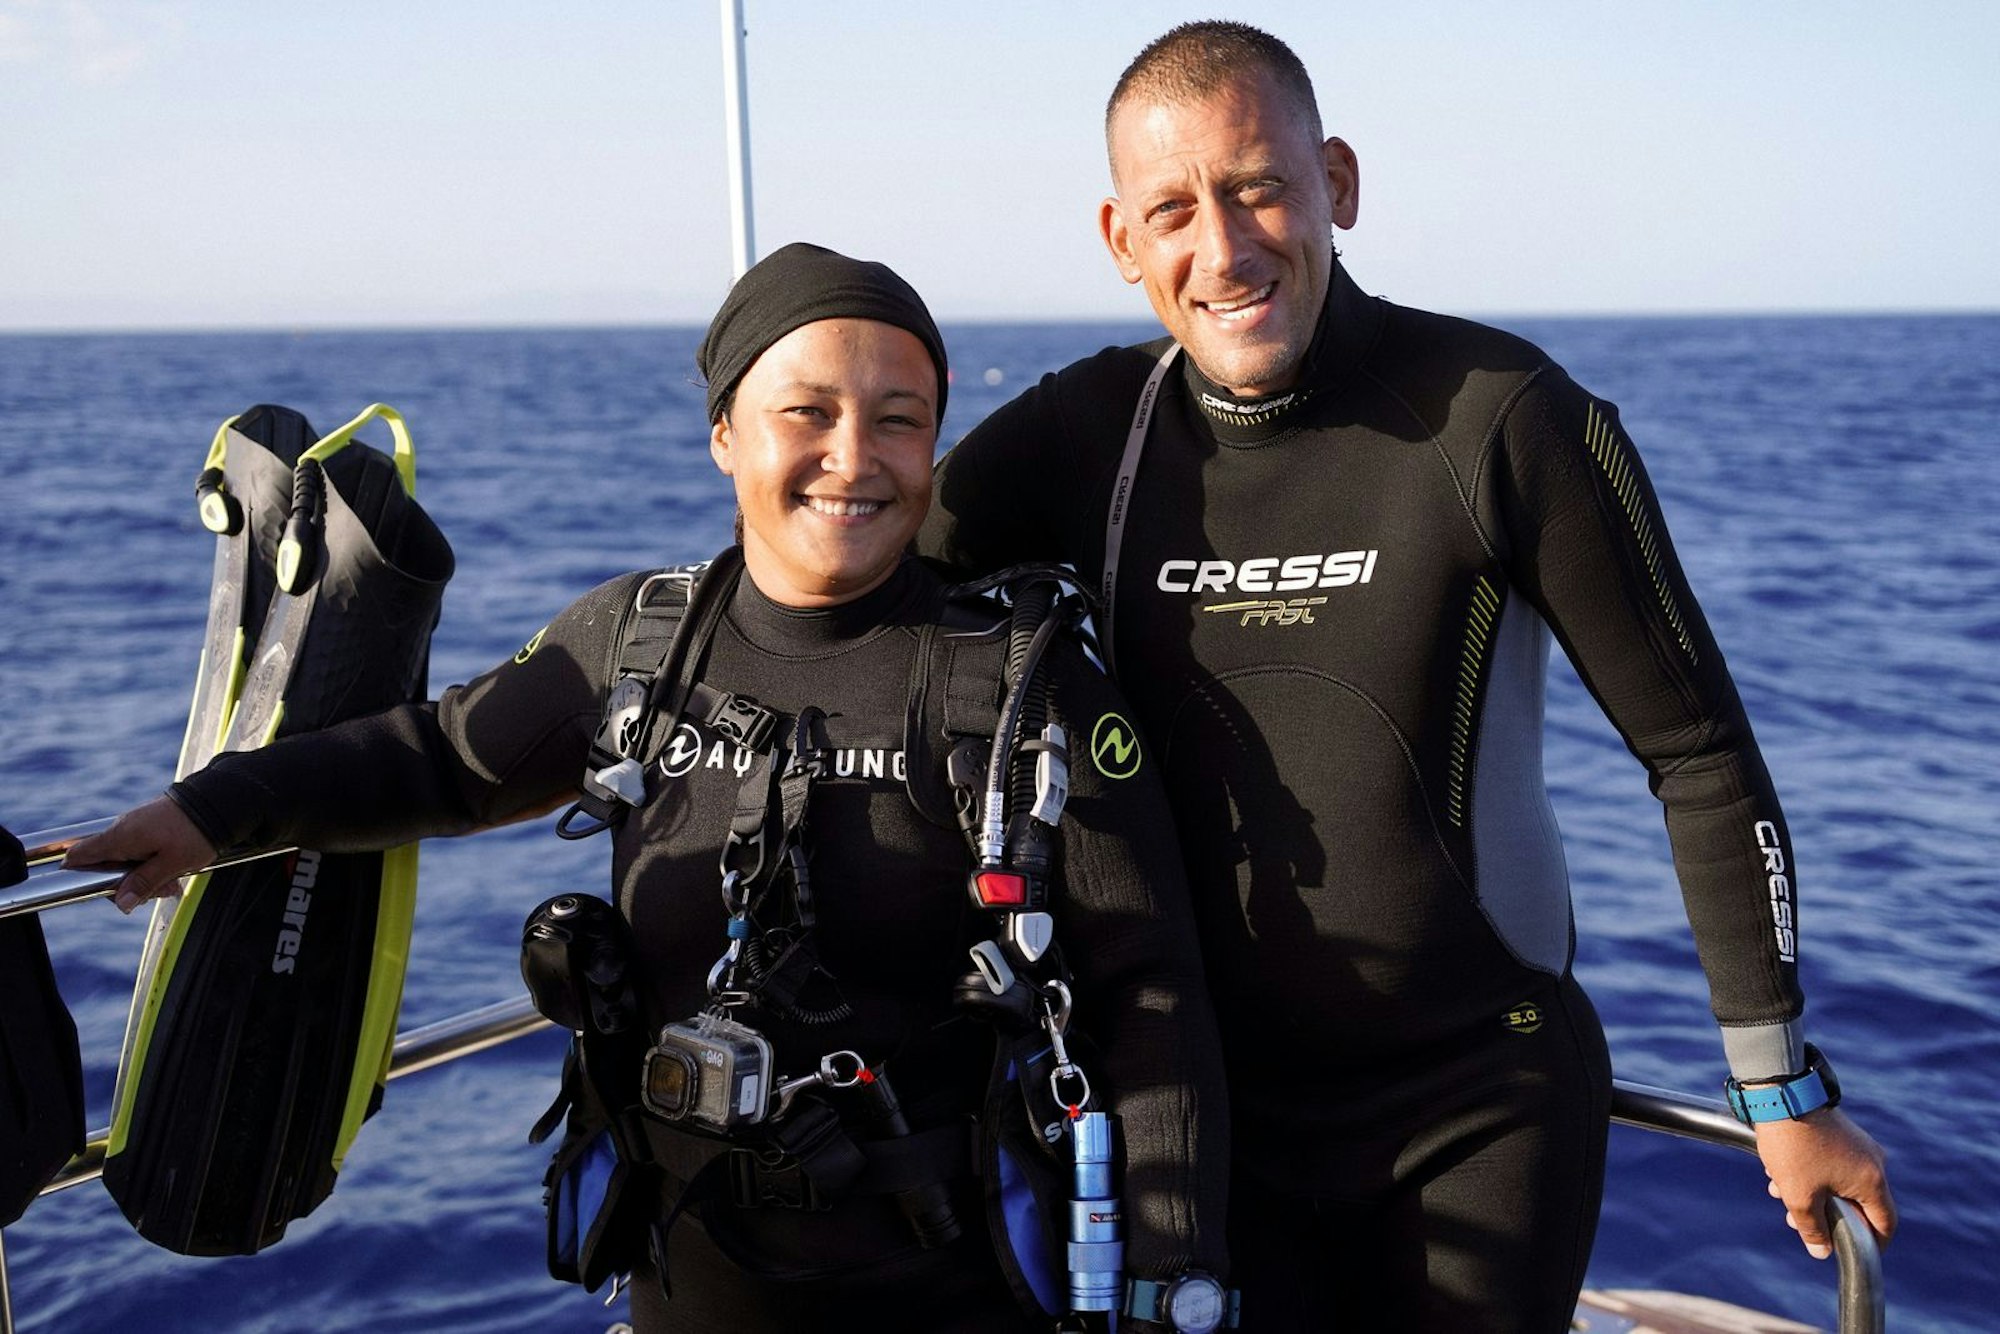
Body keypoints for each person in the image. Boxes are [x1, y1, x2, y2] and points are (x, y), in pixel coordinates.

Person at [918, 20, 1897, 1333]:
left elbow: (1697, 753)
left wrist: (1777, 1083)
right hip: (1208, 1120)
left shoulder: (1499, 414)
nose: (1224, 247)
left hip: (1477, 1106)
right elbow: (852, 584)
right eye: (1173, 210)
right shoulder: (1082, 433)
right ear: (1120, 240)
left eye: (1258, 187)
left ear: (1338, 182)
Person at [68, 243, 1229, 1333]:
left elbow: (1150, 992)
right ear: (724, 431)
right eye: (806, 412)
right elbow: (437, 759)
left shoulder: (1015, 684)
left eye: (898, 418)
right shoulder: (637, 643)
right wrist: (211, 810)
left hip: (952, 1284)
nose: (853, 455)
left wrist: (1172, 1276)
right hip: (686, 1275)